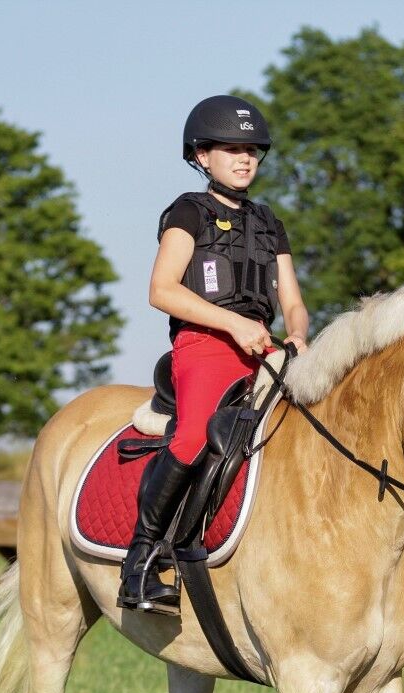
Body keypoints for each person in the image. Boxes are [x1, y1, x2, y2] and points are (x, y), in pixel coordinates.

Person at [119, 94, 309, 615]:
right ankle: (143, 555)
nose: (244, 158)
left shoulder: (270, 222)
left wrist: (296, 334)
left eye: (252, 150)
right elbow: (160, 290)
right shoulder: (189, 211)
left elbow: (292, 301)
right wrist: (231, 322)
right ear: (202, 156)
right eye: (230, 148)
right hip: (206, 344)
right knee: (195, 430)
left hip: (264, 348)